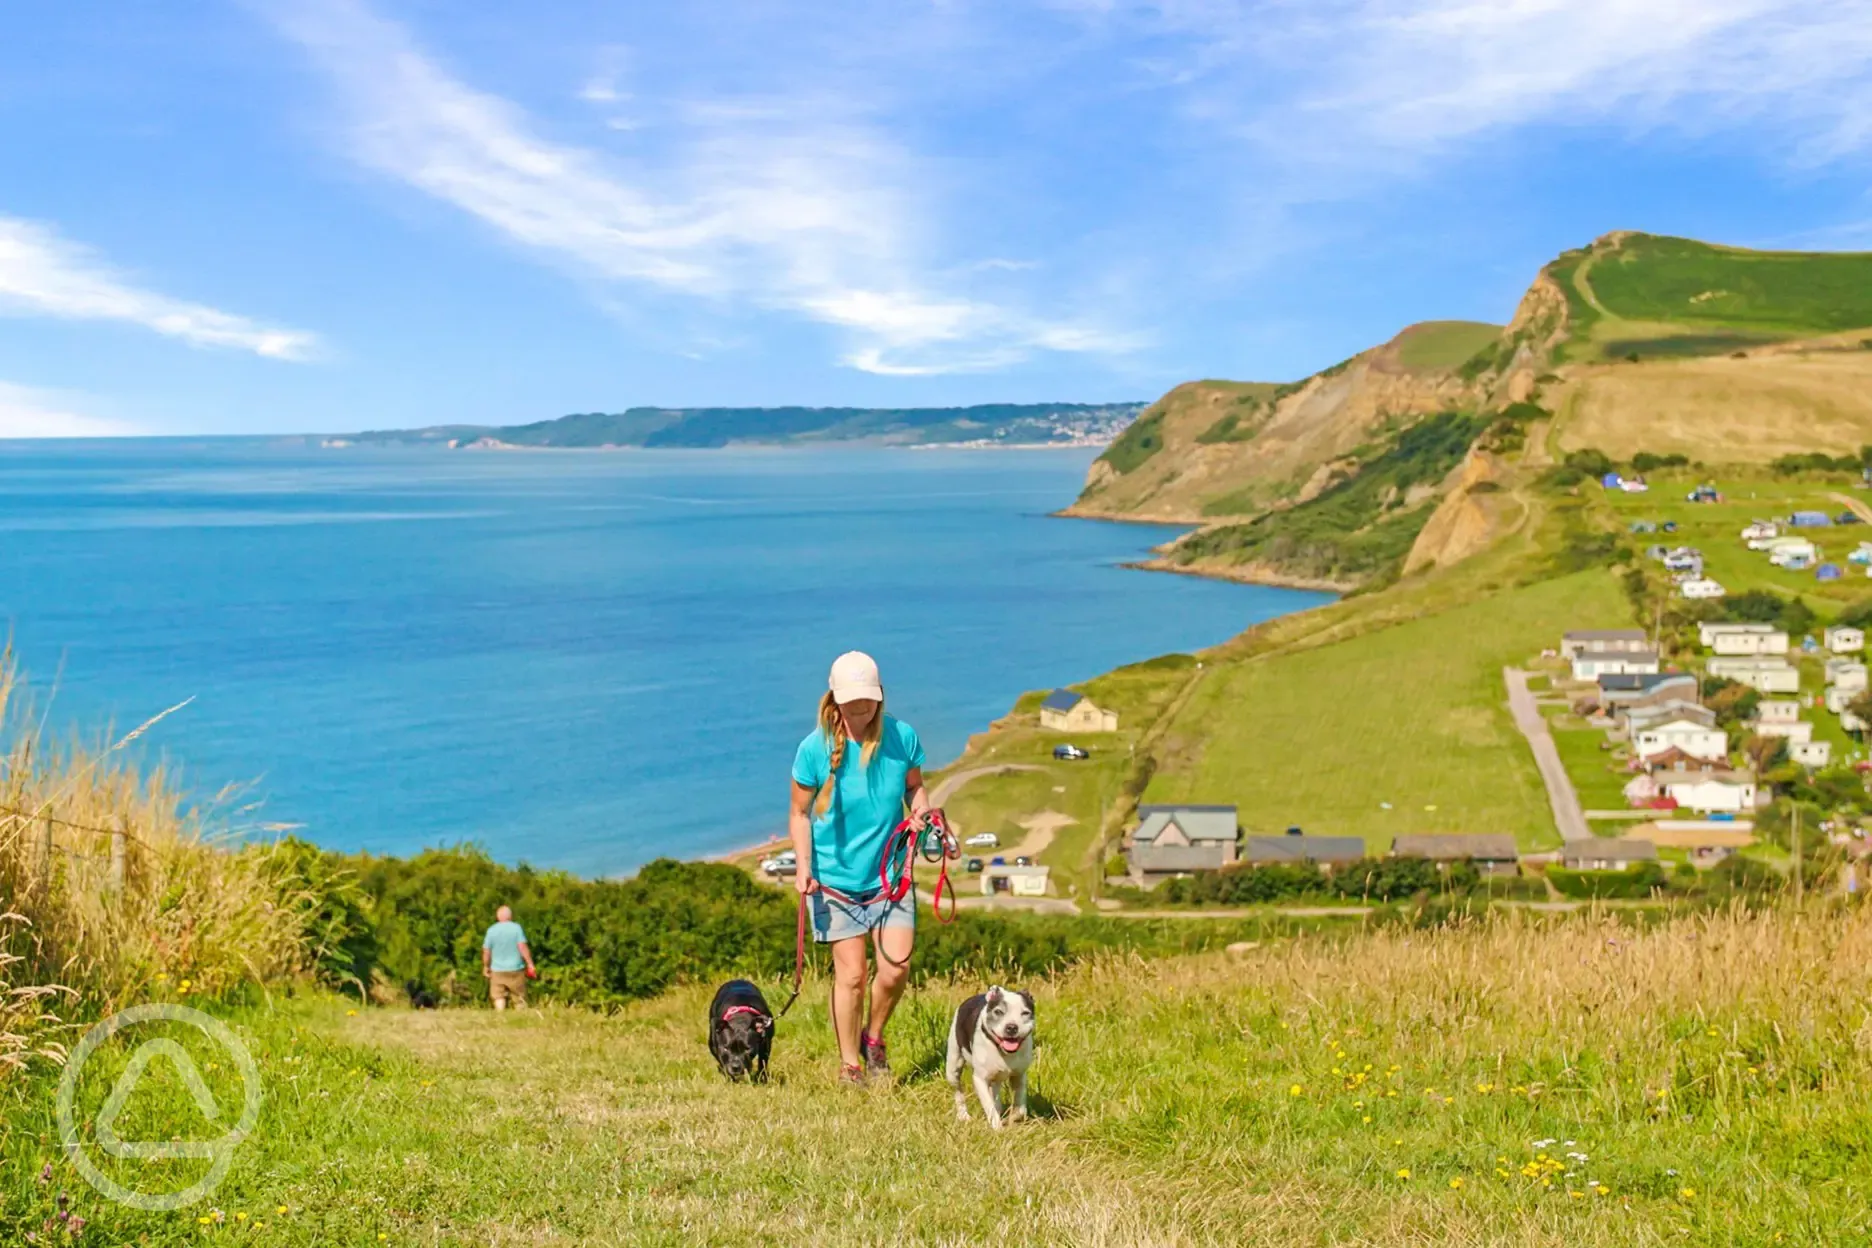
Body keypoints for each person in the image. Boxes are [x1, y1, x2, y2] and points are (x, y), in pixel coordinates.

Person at [789, 651, 930, 1085]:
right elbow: (799, 813)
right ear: (834, 699)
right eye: (851, 703)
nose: (860, 710)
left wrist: (922, 815)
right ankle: (851, 1065)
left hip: (891, 876)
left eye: (867, 701)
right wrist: (803, 866)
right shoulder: (814, 749)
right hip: (835, 881)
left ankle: (874, 1039)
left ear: (880, 696)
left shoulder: (902, 737)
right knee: (851, 976)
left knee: (896, 968)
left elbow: (916, 789)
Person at [481, 905, 536, 1010]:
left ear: (498, 917)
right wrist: (530, 963)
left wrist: (486, 966)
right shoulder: (516, 928)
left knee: (498, 995)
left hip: (497, 970)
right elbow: (522, 946)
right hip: (516, 968)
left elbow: (486, 951)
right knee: (519, 997)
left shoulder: (491, 930)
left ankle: (501, 1016)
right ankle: (521, 1018)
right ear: (510, 917)